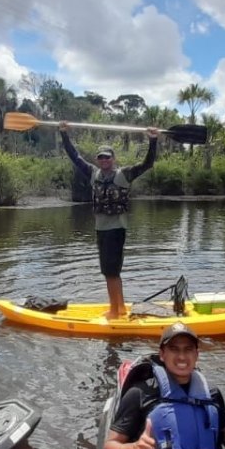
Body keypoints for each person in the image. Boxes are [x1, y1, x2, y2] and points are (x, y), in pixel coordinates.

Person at [59, 122, 159, 320]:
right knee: (110, 272)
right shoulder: (93, 174)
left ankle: (114, 312)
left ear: (113, 159)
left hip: (115, 229)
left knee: (111, 272)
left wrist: (153, 140)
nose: (104, 160)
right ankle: (120, 307)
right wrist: (64, 134)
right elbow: (75, 157)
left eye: (107, 157)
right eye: (101, 157)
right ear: (98, 160)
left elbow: (147, 164)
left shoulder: (123, 175)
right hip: (101, 229)